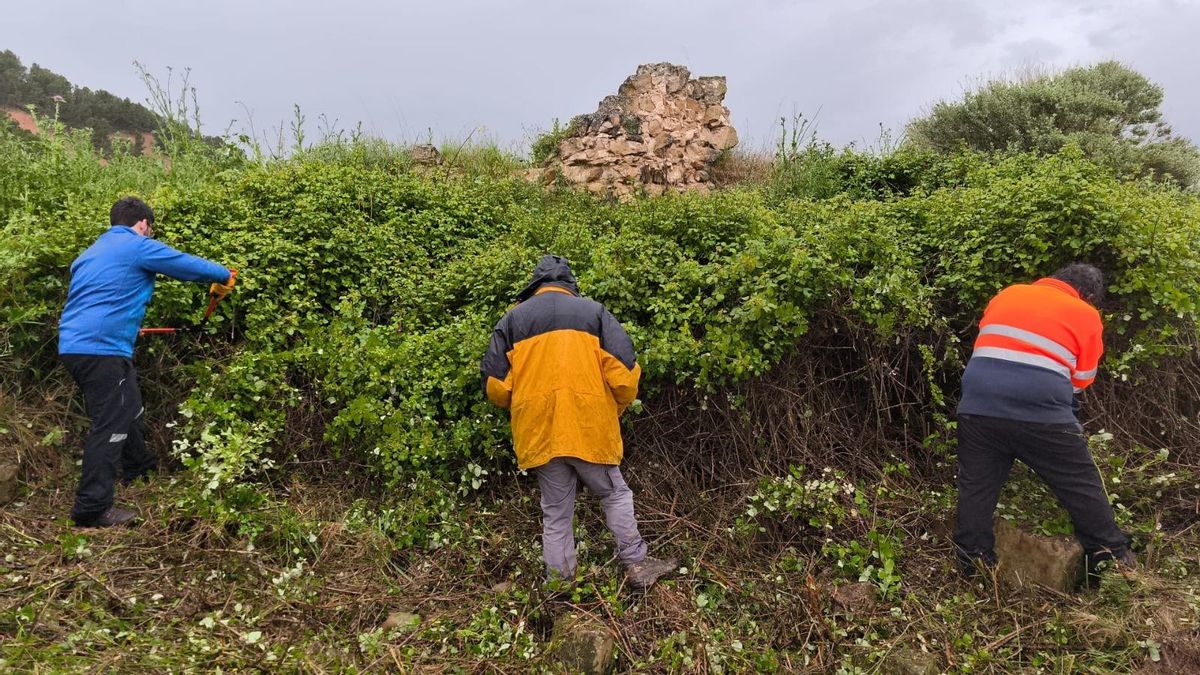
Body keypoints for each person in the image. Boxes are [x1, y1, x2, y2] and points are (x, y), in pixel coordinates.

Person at [480, 255, 676, 591]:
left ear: (536, 285)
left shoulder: (512, 320)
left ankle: (559, 584)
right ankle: (637, 563)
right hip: (588, 427)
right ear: (569, 283)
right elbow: (626, 377)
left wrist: (530, 404)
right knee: (614, 494)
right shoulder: (594, 313)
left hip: (541, 433)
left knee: (556, 513)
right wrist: (615, 407)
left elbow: (496, 387)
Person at [58, 196, 236, 528]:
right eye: (150, 229)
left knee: (129, 407)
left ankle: (140, 470)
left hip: (78, 345)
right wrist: (224, 274)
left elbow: (100, 297)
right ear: (143, 223)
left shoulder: (90, 253)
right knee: (110, 422)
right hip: (101, 348)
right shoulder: (135, 245)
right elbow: (183, 264)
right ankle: (92, 507)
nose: (150, 233)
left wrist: (125, 326)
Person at [954, 263, 1133, 575]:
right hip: (1040, 411)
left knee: (977, 487)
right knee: (1079, 482)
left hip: (978, 406)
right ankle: (1111, 556)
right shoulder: (1085, 313)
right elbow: (1082, 379)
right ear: (1088, 296)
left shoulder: (1007, 294)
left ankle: (973, 562)